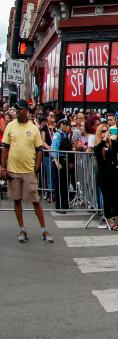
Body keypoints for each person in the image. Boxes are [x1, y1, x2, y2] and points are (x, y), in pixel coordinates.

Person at [1, 101, 53, 243]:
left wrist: (36, 167)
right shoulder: (10, 126)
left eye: (20, 110)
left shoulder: (34, 128)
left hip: (28, 171)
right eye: (15, 110)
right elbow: (5, 148)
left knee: (36, 201)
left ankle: (44, 231)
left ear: (26, 111)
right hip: (13, 171)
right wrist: (3, 168)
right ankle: (22, 230)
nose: (17, 112)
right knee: (17, 201)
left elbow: (39, 150)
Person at [92, 124, 118, 230]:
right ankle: (109, 220)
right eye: (102, 131)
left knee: (116, 196)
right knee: (107, 197)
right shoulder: (99, 145)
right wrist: (104, 140)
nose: (105, 133)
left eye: (107, 131)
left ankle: (117, 219)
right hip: (103, 174)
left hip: (114, 173)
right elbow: (97, 152)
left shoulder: (112, 143)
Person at [51, 117, 74, 213]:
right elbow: (54, 148)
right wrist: (56, 161)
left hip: (66, 159)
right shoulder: (57, 135)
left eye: (66, 123)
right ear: (60, 124)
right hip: (59, 159)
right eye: (63, 123)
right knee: (59, 184)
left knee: (65, 184)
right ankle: (59, 206)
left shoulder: (67, 135)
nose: (65, 125)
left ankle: (65, 205)